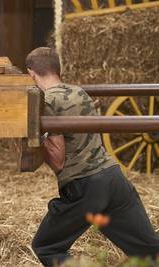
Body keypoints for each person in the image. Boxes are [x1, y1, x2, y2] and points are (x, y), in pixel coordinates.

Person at [26, 47, 159, 266]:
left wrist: (36, 138)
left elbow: (58, 160)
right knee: (149, 251)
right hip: (114, 179)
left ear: (31, 73)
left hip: (85, 185)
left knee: (47, 247)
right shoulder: (79, 92)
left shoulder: (46, 102)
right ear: (59, 69)